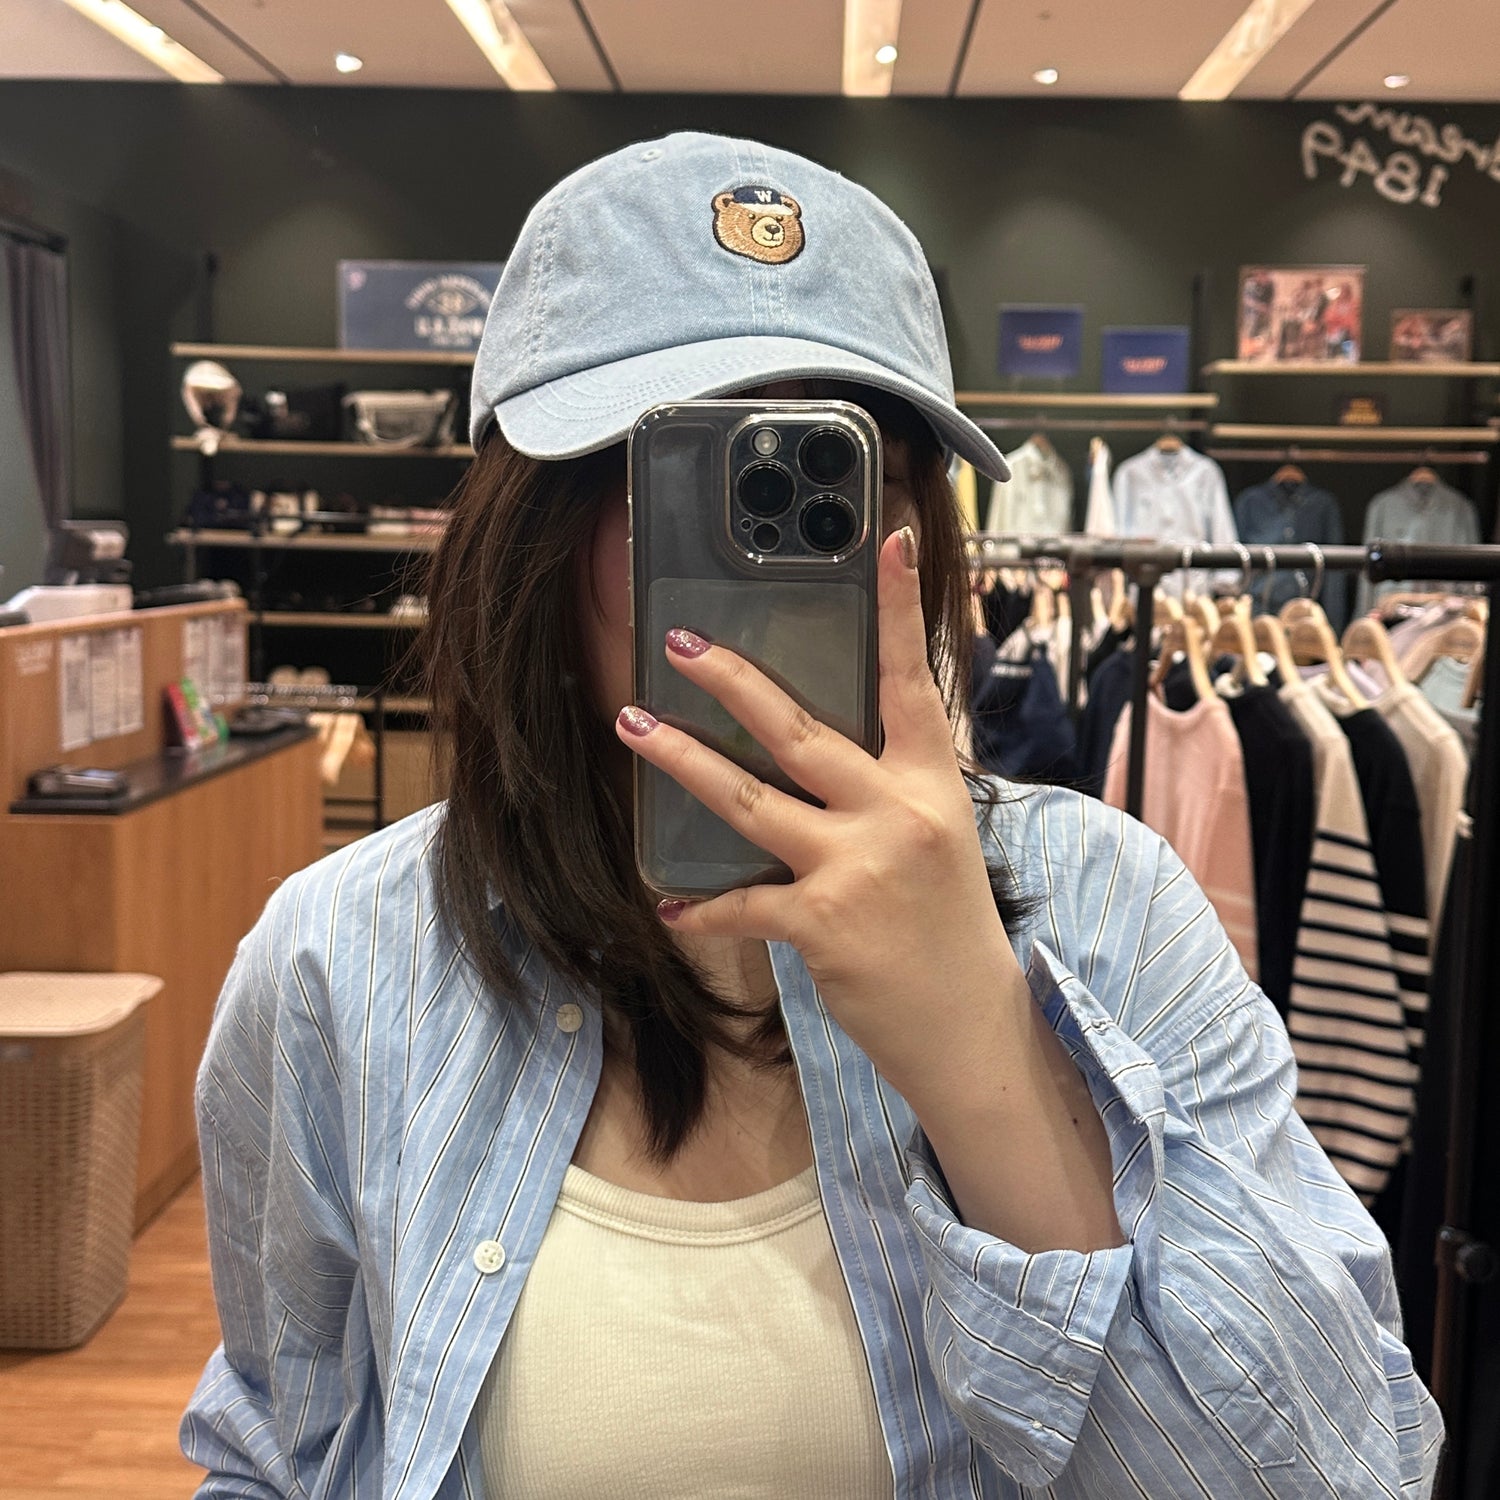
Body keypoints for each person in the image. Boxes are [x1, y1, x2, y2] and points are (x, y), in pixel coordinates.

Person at [181, 132, 1442, 1498]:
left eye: (833, 488)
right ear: (529, 537)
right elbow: (279, 1450)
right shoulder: (342, 958)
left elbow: (1349, 1476)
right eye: (689, 483)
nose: (767, 567)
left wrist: (986, 1058)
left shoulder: (1109, 906)